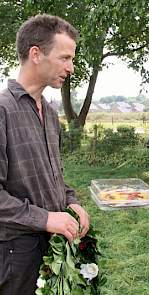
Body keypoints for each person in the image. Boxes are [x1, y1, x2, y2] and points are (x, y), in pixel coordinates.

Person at [0, 14, 90, 295]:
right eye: (64, 58)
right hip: (14, 253)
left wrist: (71, 202)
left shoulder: (50, 114)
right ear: (36, 54)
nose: (71, 67)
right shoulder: (2, 110)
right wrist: (46, 218)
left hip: (51, 248)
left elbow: (53, 175)